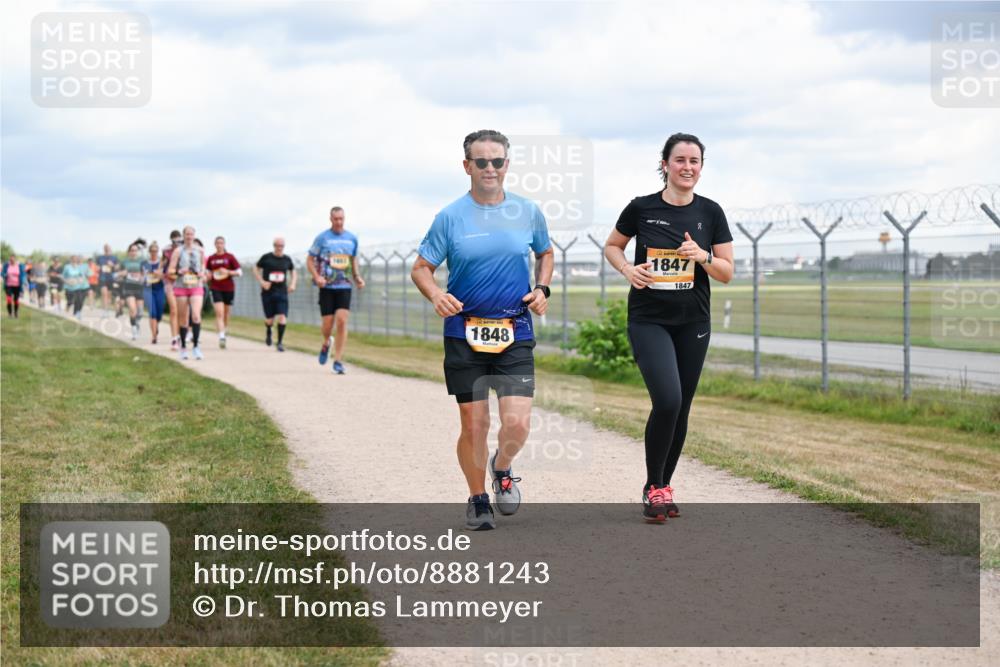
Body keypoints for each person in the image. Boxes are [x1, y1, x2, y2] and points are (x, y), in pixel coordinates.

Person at [411, 129, 554, 531]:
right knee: (475, 424)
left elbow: (545, 252)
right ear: (467, 166)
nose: (490, 168)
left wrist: (542, 288)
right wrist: (436, 295)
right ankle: (477, 498)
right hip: (464, 331)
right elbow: (421, 268)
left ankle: (501, 466)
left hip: (514, 330)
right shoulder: (450, 217)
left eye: (497, 161)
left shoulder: (527, 211)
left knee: (517, 423)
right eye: (481, 161)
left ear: (507, 164)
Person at [603, 132, 734, 523]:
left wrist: (702, 256)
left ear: (701, 167)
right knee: (668, 400)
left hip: (693, 322)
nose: (687, 167)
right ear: (665, 164)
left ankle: (662, 486)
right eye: (680, 160)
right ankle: (653, 485)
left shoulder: (711, 212)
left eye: (694, 161)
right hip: (649, 319)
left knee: (682, 408)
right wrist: (628, 270)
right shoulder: (641, 208)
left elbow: (726, 272)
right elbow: (612, 246)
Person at [306, 207, 365, 373]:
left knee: (342, 320)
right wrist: (317, 277)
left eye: (341, 219)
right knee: (327, 324)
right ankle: (326, 342)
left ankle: (338, 360)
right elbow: (309, 260)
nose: (339, 222)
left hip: (344, 286)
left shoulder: (352, 238)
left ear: (344, 218)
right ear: (330, 219)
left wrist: (357, 277)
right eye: (336, 219)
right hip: (326, 286)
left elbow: (353, 260)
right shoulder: (322, 238)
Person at [166, 226, 207, 360]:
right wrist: (179, 272)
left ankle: (196, 347)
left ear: (194, 236)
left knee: (196, 316)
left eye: (191, 234)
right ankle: (183, 347)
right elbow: (170, 271)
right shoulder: (178, 251)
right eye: (187, 234)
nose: (189, 236)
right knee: (183, 319)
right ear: (183, 236)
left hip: (196, 286)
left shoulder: (200, 251)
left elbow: (204, 268)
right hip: (181, 286)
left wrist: (202, 273)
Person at [254, 237, 296, 352]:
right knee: (270, 319)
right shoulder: (266, 257)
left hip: (282, 292)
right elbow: (255, 268)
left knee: (282, 317)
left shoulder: (287, 259)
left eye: (281, 246)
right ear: (274, 246)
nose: (279, 248)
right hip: (268, 292)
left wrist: (293, 284)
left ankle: (280, 343)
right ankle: (269, 330)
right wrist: (262, 282)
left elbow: (293, 271)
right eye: (277, 245)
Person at [206, 236, 242, 349]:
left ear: (224, 244)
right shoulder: (211, 258)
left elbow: (239, 272)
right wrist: (208, 276)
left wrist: (228, 271)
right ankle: (222, 337)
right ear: (215, 244)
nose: (219, 245)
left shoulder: (230, 257)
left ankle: (224, 330)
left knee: (226, 314)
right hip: (215, 287)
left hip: (229, 288)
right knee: (219, 313)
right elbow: (208, 272)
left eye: (221, 243)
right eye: (217, 243)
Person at [118, 243, 146, 340]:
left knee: (140, 312)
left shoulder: (142, 261)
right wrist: (122, 273)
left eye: (135, 250)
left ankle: (136, 323)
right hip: (128, 287)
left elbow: (145, 274)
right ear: (129, 252)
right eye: (132, 250)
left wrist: (142, 276)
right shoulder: (124, 262)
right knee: (132, 309)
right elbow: (118, 274)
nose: (134, 252)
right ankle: (134, 330)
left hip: (139, 288)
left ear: (137, 252)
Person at [162, 230, 183, 351]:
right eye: (174, 241)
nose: (176, 243)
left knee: (181, 311)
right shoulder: (166, 251)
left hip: (181, 282)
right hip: (169, 282)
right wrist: (160, 271)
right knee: (174, 310)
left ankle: (180, 336)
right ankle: (174, 338)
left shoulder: (184, 251)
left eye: (178, 241)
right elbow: (162, 264)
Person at [142, 243, 166, 344]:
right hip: (148, 289)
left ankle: (156, 325)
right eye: (152, 251)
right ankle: (154, 336)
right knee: (152, 312)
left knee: (159, 313)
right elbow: (140, 276)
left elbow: (166, 276)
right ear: (149, 252)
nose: (154, 253)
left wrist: (160, 274)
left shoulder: (162, 263)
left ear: (158, 252)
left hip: (159, 289)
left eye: (155, 251)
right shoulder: (144, 264)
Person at [62, 255, 90, 320]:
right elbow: (63, 276)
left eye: (76, 259)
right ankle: (67, 309)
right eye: (73, 259)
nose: (75, 260)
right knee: (70, 301)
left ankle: (77, 313)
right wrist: (67, 281)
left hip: (77, 287)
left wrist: (81, 279)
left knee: (79, 300)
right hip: (69, 287)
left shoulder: (79, 267)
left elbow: (82, 275)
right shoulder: (67, 267)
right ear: (71, 259)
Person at [95, 244, 118, 312]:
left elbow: (117, 268)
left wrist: (112, 265)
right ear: (104, 249)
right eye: (105, 249)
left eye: (108, 248)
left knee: (109, 295)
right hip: (102, 278)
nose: (107, 250)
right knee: (104, 293)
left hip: (111, 278)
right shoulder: (100, 258)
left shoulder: (114, 258)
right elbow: (96, 267)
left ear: (110, 249)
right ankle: (105, 310)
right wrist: (98, 268)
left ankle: (107, 307)